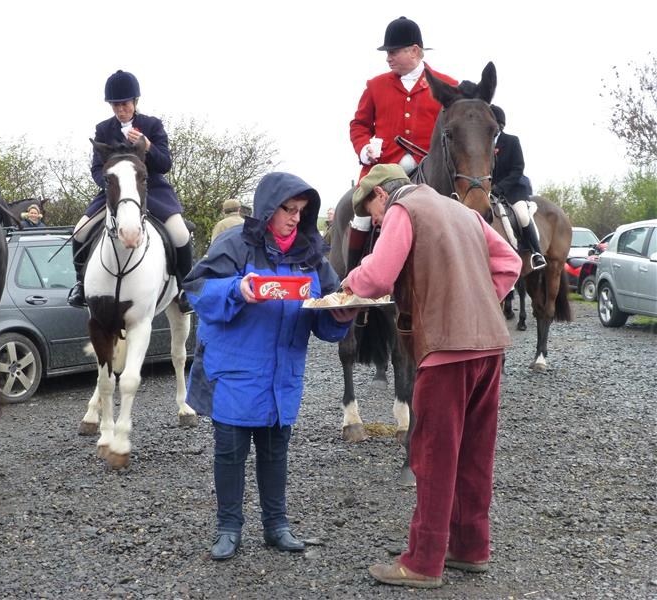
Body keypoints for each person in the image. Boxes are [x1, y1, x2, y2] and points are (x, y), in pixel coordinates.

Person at [342, 163, 522, 589]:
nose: (377, 222)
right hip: (489, 347)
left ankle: (423, 561)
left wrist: (349, 282)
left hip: (446, 351)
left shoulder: (403, 209)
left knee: (433, 456)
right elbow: (510, 262)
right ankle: (470, 547)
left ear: (381, 194)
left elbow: (378, 277)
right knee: (475, 453)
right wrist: (477, 300)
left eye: (373, 213)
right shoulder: (462, 211)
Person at [183, 172, 359, 561]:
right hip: (235, 372)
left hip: (283, 376)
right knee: (230, 453)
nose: (295, 218)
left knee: (275, 452)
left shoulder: (312, 254)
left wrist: (342, 314)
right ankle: (228, 528)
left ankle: (276, 526)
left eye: (301, 211)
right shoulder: (235, 243)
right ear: (267, 209)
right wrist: (236, 289)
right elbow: (195, 291)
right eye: (288, 209)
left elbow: (325, 313)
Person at [67, 70, 194, 313]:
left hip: (151, 190)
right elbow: (97, 168)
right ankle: (81, 284)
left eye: (124, 104)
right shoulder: (103, 129)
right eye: (115, 105)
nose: (120, 109)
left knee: (179, 233)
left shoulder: (152, 125)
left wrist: (148, 146)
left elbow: (165, 164)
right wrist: (109, 185)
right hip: (115, 192)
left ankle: (186, 288)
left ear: (135, 101)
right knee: (80, 231)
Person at [347, 16, 458, 274]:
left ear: (415, 51)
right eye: (387, 53)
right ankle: (352, 275)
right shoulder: (375, 85)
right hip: (383, 170)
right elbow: (359, 125)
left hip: (431, 169)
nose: (388, 58)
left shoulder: (448, 85)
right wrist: (364, 149)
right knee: (362, 217)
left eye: (393, 52)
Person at [491, 104, 546, 270]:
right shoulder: (483, 144)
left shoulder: (512, 141)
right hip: (488, 190)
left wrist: (500, 187)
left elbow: (517, 169)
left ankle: (536, 253)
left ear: (499, 124)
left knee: (522, 216)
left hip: (513, 191)